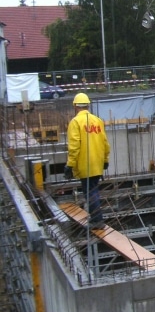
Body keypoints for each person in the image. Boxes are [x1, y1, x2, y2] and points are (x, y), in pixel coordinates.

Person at [64, 93, 110, 230]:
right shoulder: (97, 121)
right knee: (94, 190)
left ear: (75, 106)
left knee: (90, 192)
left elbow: (74, 146)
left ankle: (97, 220)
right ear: (88, 105)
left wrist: (70, 165)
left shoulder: (75, 122)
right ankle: (96, 218)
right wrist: (105, 160)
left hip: (85, 164)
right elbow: (105, 143)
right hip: (98, 162)